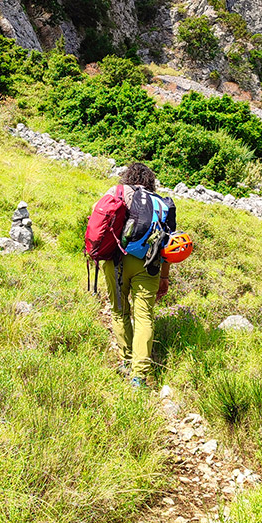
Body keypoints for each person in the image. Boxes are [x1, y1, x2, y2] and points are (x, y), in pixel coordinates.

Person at [101, 162, 170, 389]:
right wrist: (164, 278)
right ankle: (139, 376)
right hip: (148, 265)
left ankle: (126, 361)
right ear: (151, 181)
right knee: (144, 317)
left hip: (117, 261)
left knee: (120, 311)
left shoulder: (118, 192)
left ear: (127, 176)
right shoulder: (162, 203)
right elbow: (168, 247)